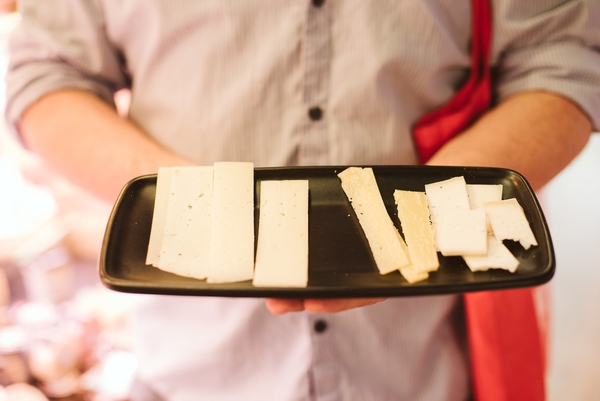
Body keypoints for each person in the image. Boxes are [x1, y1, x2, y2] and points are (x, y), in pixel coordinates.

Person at [4, 0, 600, 400]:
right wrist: (209, 212)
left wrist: (410, 229)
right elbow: (46, 72)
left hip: (422, 372)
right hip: (189, 375)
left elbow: (563, 60)